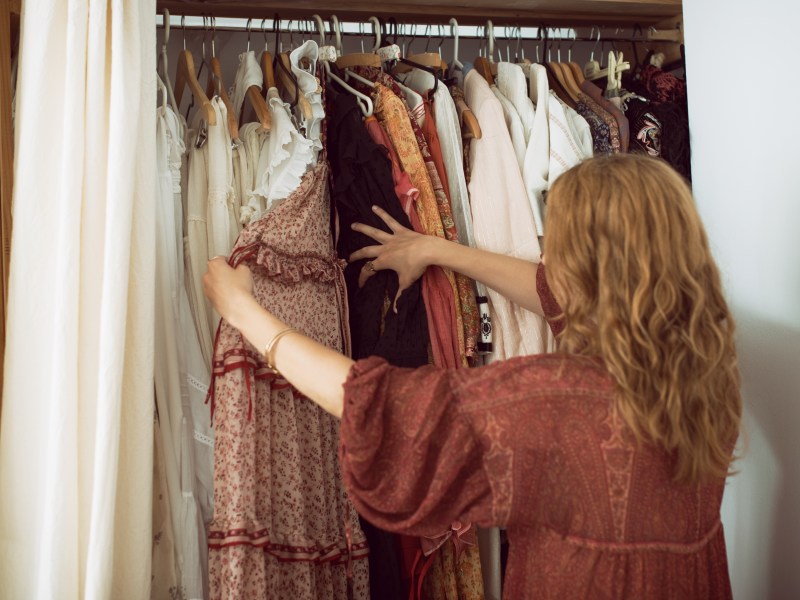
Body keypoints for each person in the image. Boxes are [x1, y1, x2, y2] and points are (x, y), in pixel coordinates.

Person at [203, 154, 741, 599]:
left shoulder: (555, 402)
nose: (547, 256)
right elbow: (552, 289)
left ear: (587, 271)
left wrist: (245, 311)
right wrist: (437, 249)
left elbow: (378, 404)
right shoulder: (707, 370)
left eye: (556, 246)